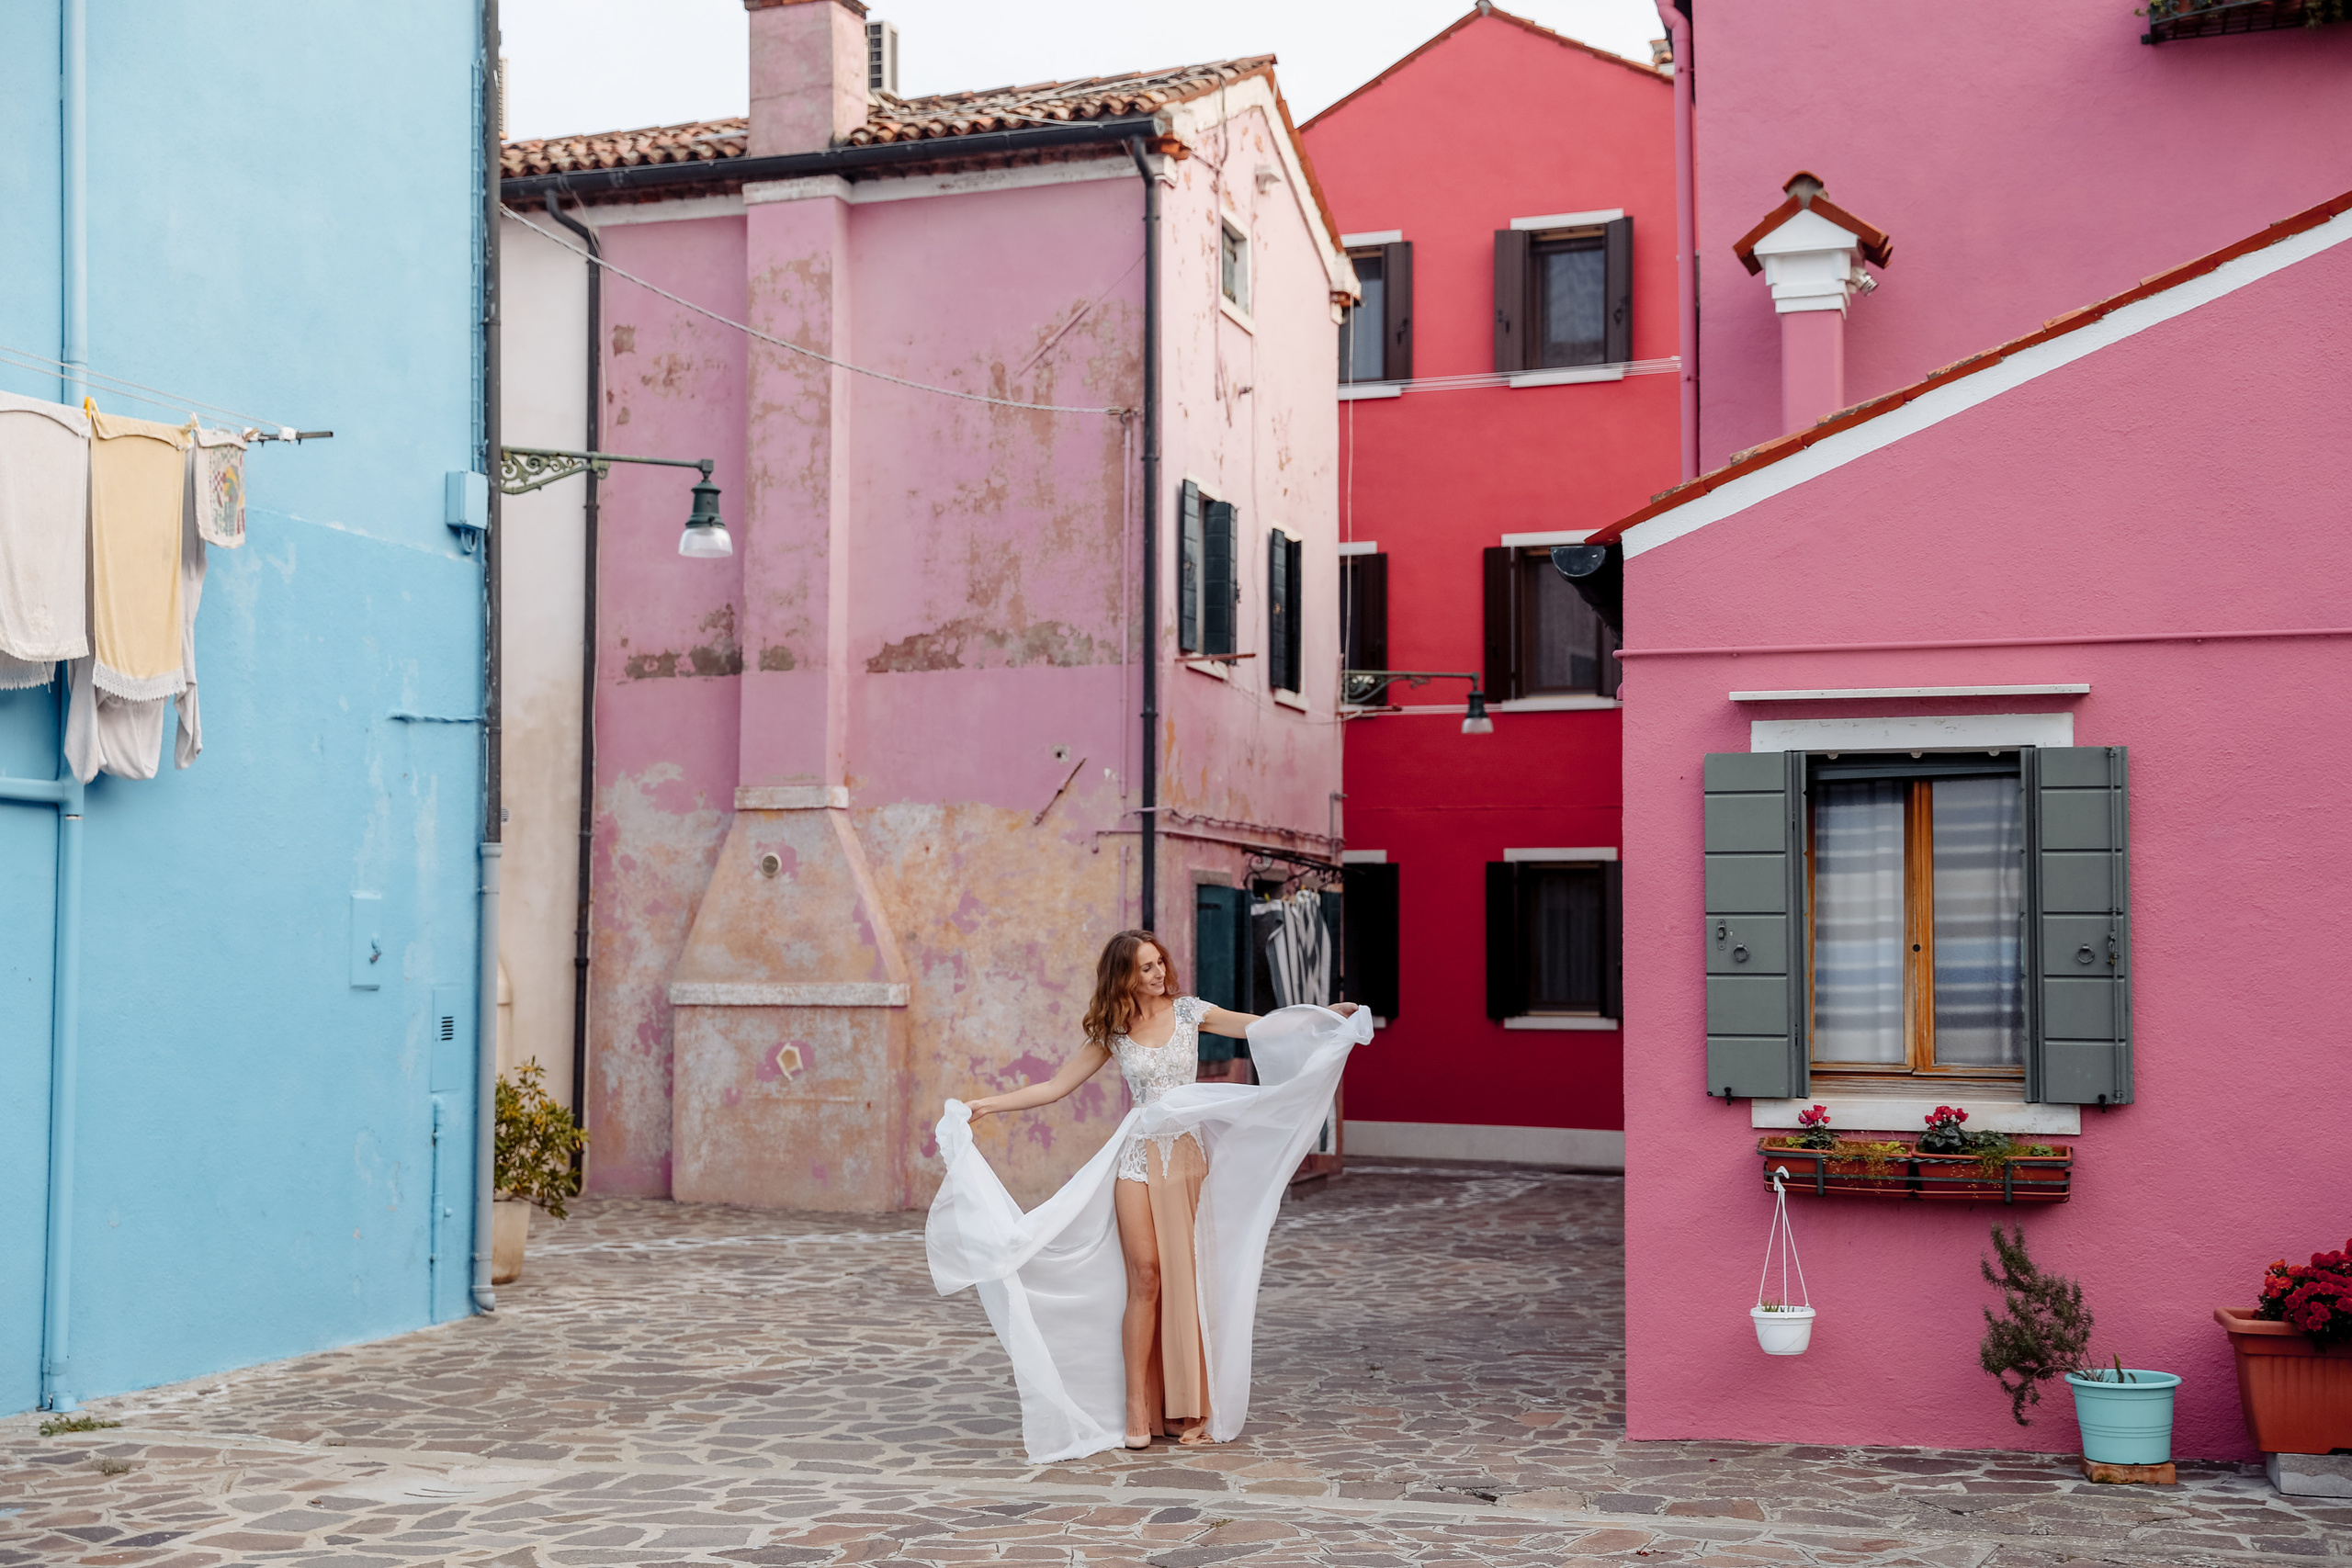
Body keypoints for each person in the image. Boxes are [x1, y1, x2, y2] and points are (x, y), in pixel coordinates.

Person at [928, 929, 1368, 1461]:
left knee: (1185, 1280)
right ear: (1124, 977)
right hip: (1136, 1160)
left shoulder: (1190, 1013)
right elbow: (1054, 1087)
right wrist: (988, 1105)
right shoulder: (1112, 1033)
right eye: (1146, 968)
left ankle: (1185, 1409)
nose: (1159, 974)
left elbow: (1265, 1029)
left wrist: (1324, 1017)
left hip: (1187, 1161)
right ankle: (1137, 1407)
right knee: (1147, 1276)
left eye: (1160, 963)